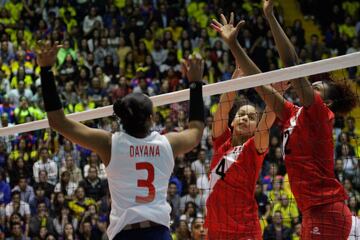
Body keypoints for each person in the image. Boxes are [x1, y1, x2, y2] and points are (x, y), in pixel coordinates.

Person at [36, 41, 205, 240]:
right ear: (151, 118)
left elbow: (57, 122)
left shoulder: (109, 144)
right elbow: (196, 130)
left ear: (122, 119)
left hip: (125, 234)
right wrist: (195, 83)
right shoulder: (167, 144)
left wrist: (46, 70)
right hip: (158, 232)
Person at [261, 0, 360, 239]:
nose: (310, 88)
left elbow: (292, 66)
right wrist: (234, 46)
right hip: (313, 212)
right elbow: (260, 86)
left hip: (326, 211)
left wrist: (272, 18)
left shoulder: (319, 113)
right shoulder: (294, 114)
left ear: (326, 102)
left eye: (316, 88)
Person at [205, 13, 277, 239]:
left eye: (251, 117)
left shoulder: (253, 150)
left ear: (256, 128)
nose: (245, 118)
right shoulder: (220, 143)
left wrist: (277, 94)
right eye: (242, 115)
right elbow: (224, 107)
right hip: (215, 232)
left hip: (243, 232)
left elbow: (268, 121)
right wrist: (237, 75)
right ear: (233, 122)